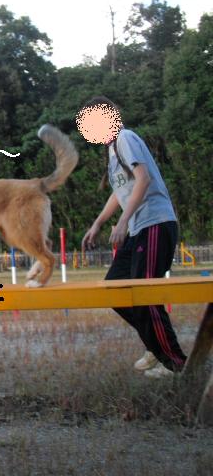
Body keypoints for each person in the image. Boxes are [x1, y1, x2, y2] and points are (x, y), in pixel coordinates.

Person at [77, 96, 187, 378]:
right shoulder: (113, 150)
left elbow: (144, 178)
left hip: (154, 223)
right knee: (115, 288)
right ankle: (155, 344)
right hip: (139, 229)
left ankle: (176, 364)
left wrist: (123, 221)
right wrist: (98, 223)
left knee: (145, 296)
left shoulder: (125, 138)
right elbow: (120, 192)